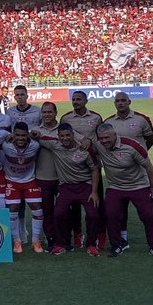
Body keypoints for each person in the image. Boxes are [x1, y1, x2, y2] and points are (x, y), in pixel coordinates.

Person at [88, 122, 153, 257]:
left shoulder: (132, 146)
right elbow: (84, 146)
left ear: (115, 135)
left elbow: (149, 166)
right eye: (101, 138)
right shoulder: (98, 146)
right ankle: (118, 244)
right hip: (116, 187)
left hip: (139, 186)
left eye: (107, 137)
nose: (104, 141)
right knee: (110, 215)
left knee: (149, 216)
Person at [33, 122, 101, 256]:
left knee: (93, 214)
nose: (65, 138)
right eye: (62, 136)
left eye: (67, 135)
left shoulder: (84, 149)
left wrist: (94, 192)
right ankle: (60, 244)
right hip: (66, 187)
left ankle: (92, 244)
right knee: (58, 214)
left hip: (85, 186)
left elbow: (95, 169)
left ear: (73, 135)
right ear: (58, 136)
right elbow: (37, 136)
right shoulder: (54, 145)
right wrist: (32, 134)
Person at [59, 91, 106, 248]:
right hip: (73, 165)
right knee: (74, 206)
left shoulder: (96, 117)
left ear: (86, 100)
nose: (75, 102)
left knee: (97, 202)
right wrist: (82, 139)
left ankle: (100, 234)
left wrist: (91, 144)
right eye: (73, 99)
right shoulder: (66, 118)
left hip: (93, 164)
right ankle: (78, 234)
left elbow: (101, 137)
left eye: (79, 99)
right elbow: (62, 136)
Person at [2, 122, 44, 253]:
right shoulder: (6, 145)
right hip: (12, 181)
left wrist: (35, 134)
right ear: (13, 135)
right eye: (18, 135)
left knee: (37, 208)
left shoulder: (35, 145)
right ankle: (17, 241)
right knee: (13, 209)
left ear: (28, 135)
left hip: (30, 180)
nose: (20, 138)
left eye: (23, 135)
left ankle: (36, 241)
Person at [34, 101, 59, 250]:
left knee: (63, 211)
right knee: (47, 210)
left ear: (55, 113)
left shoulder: (63, 130)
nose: (47, 115)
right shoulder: (35, 131)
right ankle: (50, 238)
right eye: (44, 112)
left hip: (62, 177)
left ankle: (63, 237)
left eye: (50, 112)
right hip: (42, 177)